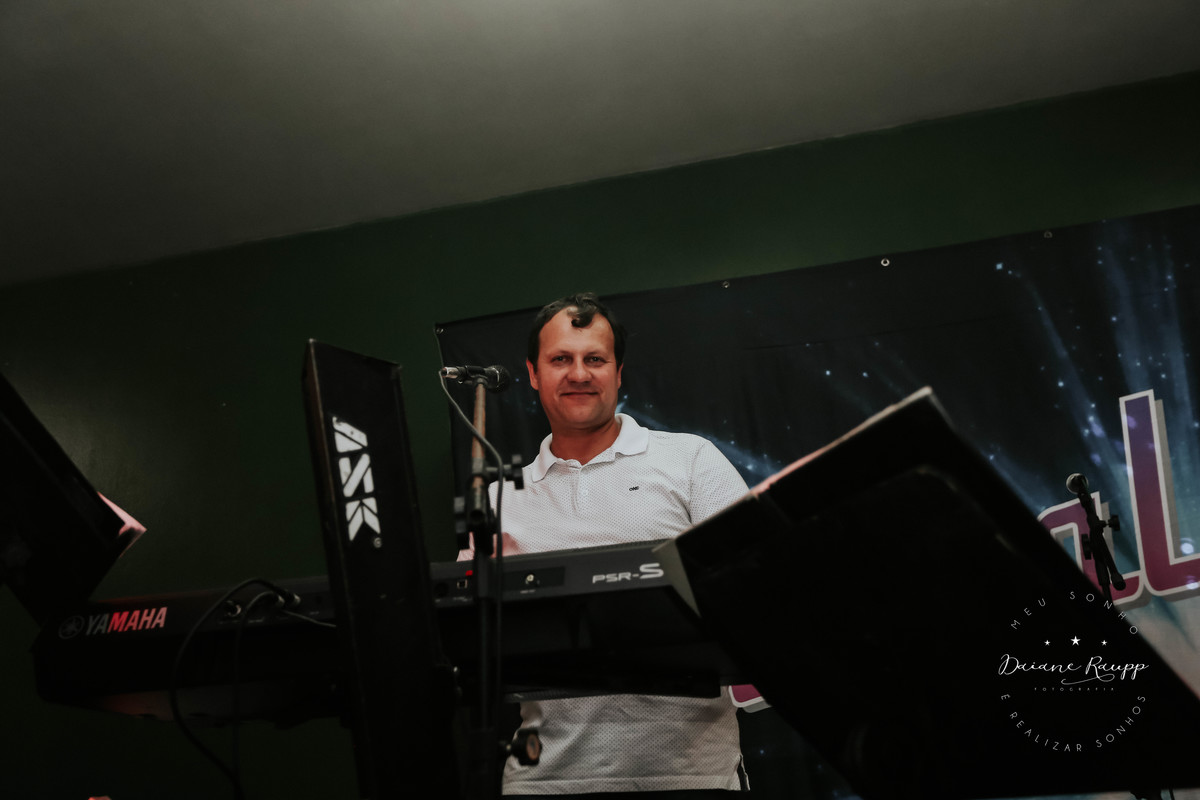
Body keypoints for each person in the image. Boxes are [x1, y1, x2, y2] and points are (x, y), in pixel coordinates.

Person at [463, 292, 750, 798]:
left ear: (618, 373)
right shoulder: (498, 498)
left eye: (594, 359)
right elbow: (471, 639)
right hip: (545, 782)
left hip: (693, 776)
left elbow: (760, 595)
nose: (578, 374)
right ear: (533, 374)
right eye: (561, 359)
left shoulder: (691, 461)